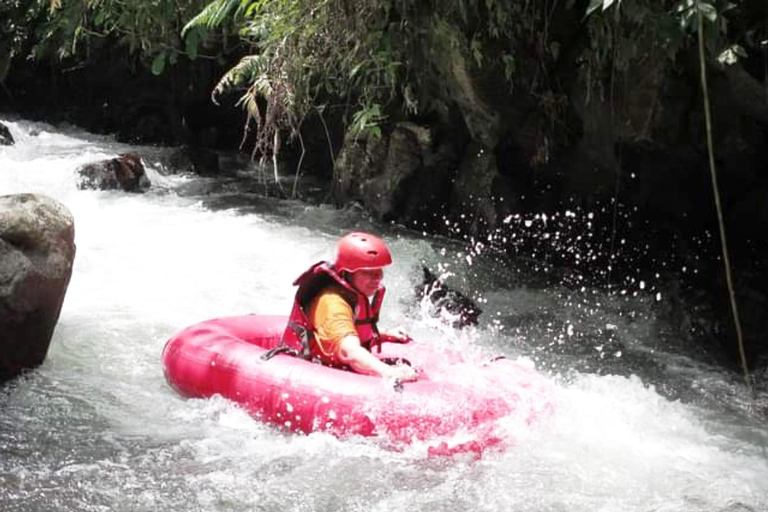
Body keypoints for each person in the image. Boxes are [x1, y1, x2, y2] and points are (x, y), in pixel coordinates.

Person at [281, 231, 418, 382]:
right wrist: (389, 372)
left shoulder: (354, 293)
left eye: (379, 271)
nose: (377, 278)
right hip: (308, 372)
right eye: (368, 272)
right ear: (347, 273)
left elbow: (354, 328)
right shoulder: (332, 303)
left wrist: (385, 333)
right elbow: (349, 352)